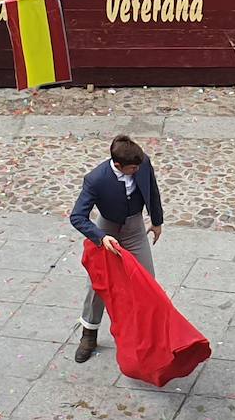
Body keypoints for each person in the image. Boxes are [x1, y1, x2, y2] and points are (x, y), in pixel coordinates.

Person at [69, 134, 164, 364]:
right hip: (107, 228)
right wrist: (101, 238)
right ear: (118, 165)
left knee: (147, 281)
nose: (138, 169)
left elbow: (152, 189)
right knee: (97, 285)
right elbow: (77, 216)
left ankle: (148, 336)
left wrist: (157, 221)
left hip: (134, 228)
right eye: (133, 168)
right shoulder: (96, 179)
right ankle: (89, 334)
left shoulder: (142, 163)